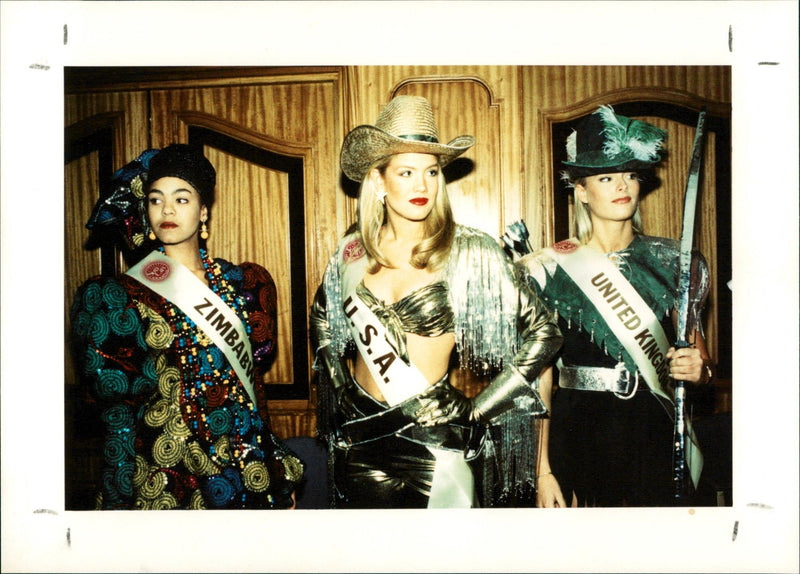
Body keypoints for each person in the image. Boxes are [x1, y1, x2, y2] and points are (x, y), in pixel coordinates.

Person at [309, 95, 562, 508]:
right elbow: (321, 315)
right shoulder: (352, 252)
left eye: (430, 172)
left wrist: (478, 410)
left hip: (433, 445)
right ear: (378, 181)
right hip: (360, 441)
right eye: (406, 172)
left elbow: (545, 335)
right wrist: (338, 383)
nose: (421, 186)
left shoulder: (471, 251)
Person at [70, 144, 303, 509]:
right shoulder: (122, 296)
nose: (166, 210)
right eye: (155, 199)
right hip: (167, 476)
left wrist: (274, 475)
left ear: (203, 210)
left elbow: (253, 393)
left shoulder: (242, 284)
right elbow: (118, 417)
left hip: (243, 468)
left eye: (181, 199)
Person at [516, 105, 714, 507]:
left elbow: (704, 366)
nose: (622, 185)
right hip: (578, 434)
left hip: (654, 431)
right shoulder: (547, 270)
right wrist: (542, 470)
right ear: (583, 191)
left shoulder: (674, 262)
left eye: (629, 174)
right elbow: (540, 384)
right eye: (606, 177)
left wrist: (698, 371)